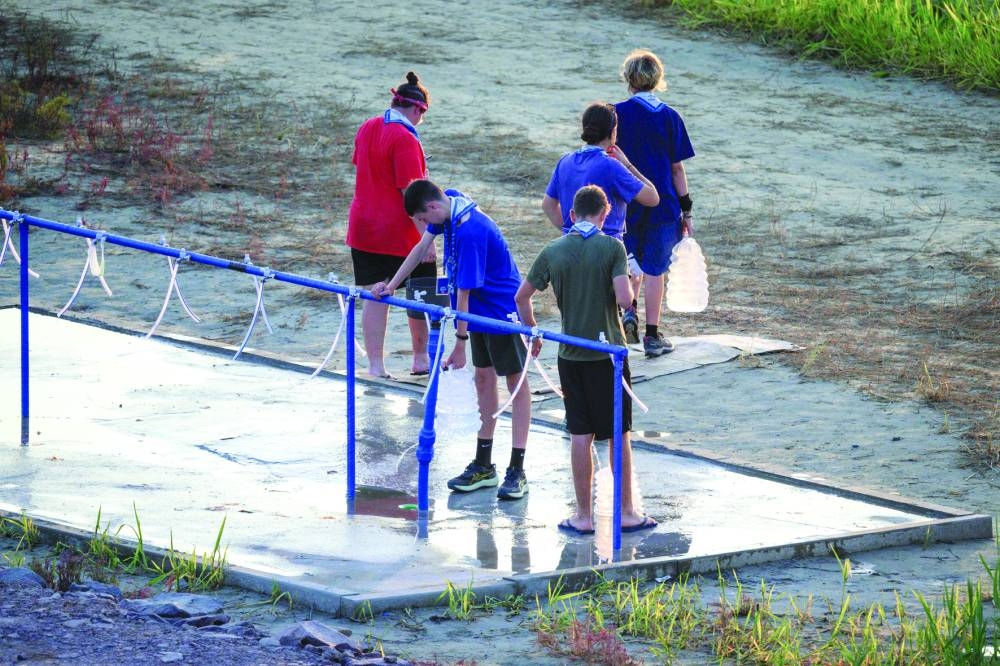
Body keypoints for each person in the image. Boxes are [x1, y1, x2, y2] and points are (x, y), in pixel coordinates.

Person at [371, 179, 531, 501]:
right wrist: (392, 285)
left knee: (517, 385)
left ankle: (518, 468)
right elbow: (419, 250)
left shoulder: (470, 231)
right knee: (483, 380)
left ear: (431, 208)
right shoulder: (449, 203)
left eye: (425, 220)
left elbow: (463, 293)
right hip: (475, 311)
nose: (427, 227)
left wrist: (459, 344)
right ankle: (484, 465)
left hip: (500, 310)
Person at [515, 185, 657, 534]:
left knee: (580, 433)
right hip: (607, 355)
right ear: (605, 214)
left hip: (569, 355)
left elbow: (522, 297)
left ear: (572, 215)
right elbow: (624, 300)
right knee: (618, 433)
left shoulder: (553, 250)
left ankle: (583, 515)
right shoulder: (612, 247)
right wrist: (635, 287)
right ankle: (625, 511)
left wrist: (532, 331)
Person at [541, 101, 659, 353]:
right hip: (607, 250)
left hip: (570, 248)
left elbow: (548, 204)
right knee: (610, 316)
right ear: (613, 131)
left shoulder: (565, 161)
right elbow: (652, 197)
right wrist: (628, 164)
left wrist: (569, 229)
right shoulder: (610, 165)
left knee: (575, 316)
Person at [347, 71, 437, 379]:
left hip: (363, 227)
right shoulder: (405, 138)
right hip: (399, 232)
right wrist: (428, 238)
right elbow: (412, 196)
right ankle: (421, 358)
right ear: (417, 110)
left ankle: (376, 365)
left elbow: (359, 164)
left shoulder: (368, 126)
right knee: (422, 293)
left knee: (376, 295)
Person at [615, 49, 696, 358]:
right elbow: (677, 168)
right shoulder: (670, 117)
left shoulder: (615, 114)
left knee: (629, 264)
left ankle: (628, 312)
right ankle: (651, 335)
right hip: (663, 206)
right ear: (658, 79)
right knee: (655, 271)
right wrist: (686, 209)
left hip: (626, 202)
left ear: (628, 79)